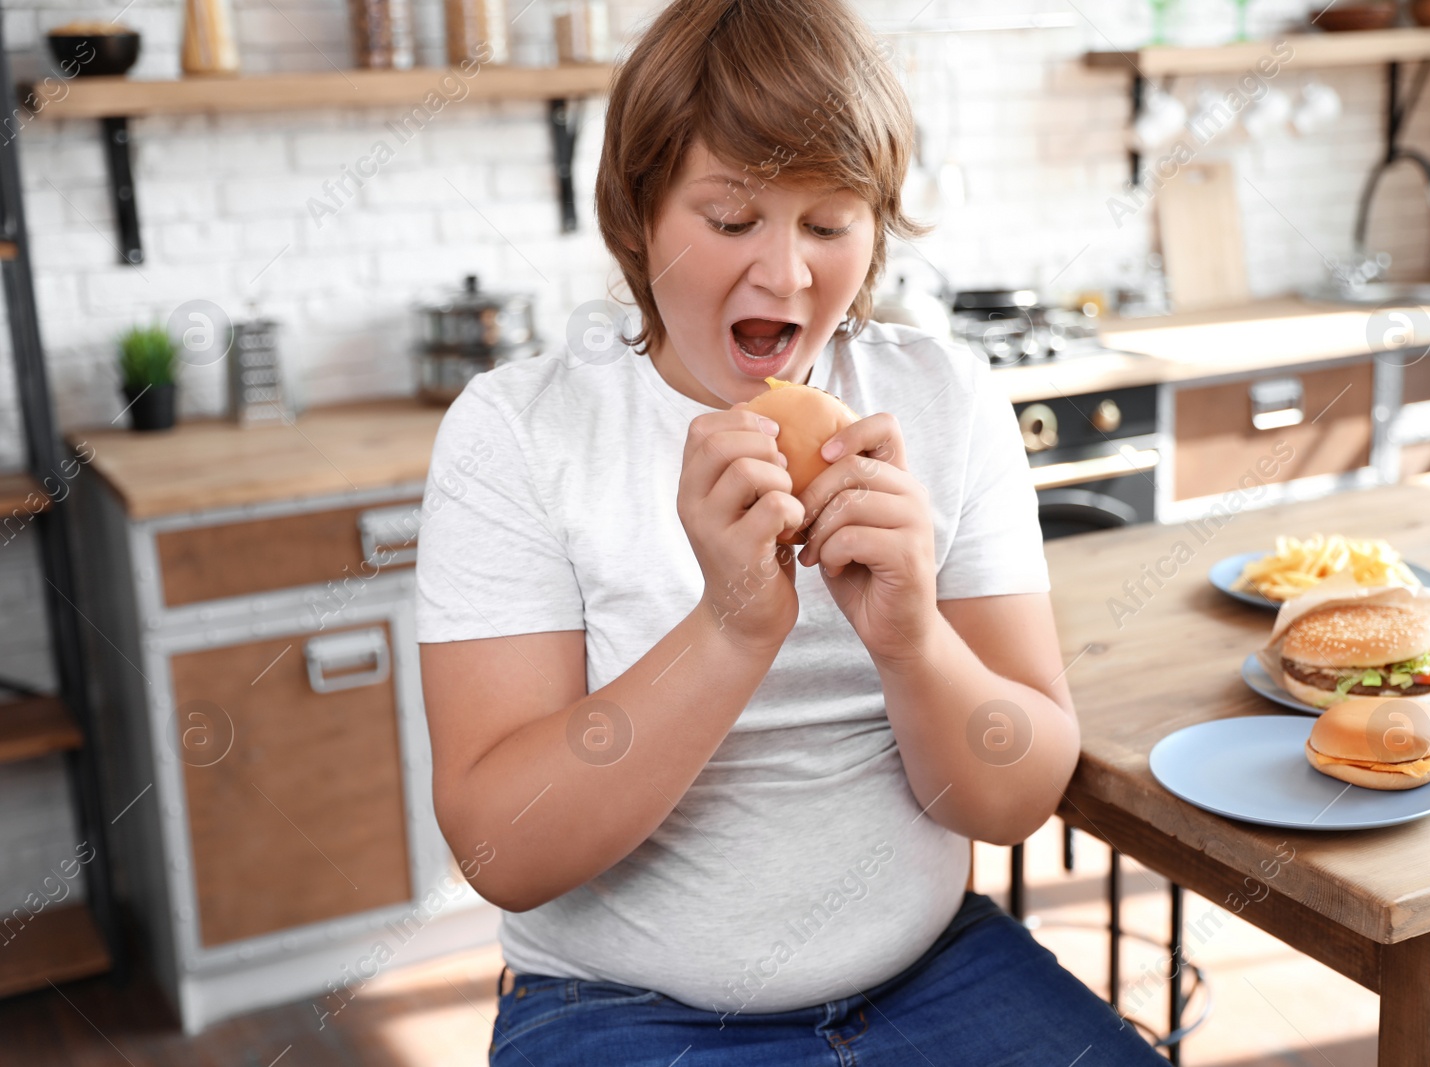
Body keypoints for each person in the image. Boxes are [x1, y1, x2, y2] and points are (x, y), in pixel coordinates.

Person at [415, 0, 1168, 1062]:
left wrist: (911, 640)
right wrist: (728, 630)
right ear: (637, 216)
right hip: (620, 1009)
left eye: (828, 223)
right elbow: (502, 843)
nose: (786, 276)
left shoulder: (943, 398)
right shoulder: (518, 432)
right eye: (732, 221)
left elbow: (1014, 794)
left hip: (932, 974)